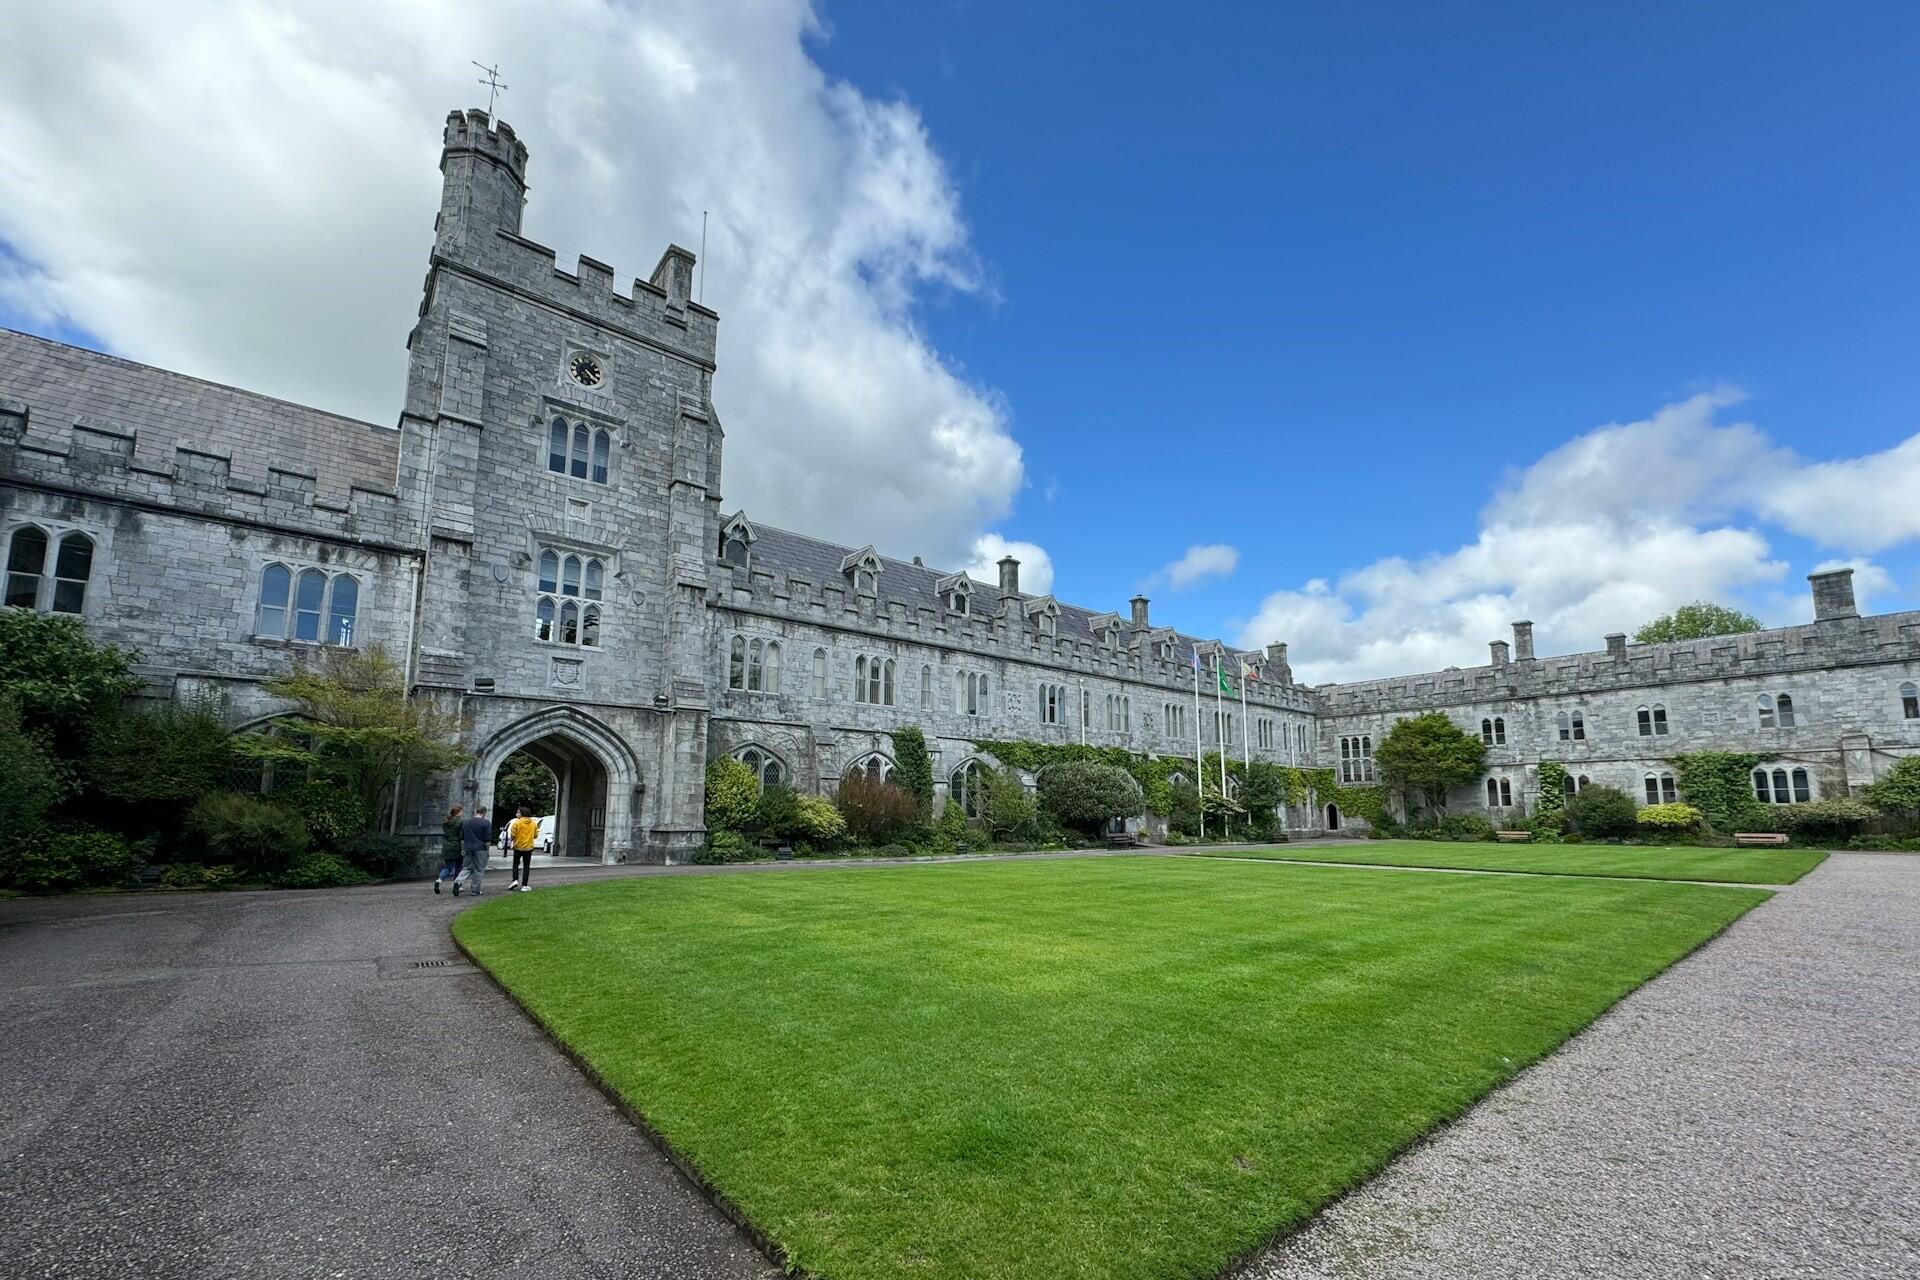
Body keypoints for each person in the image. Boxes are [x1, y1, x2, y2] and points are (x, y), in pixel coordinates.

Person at [452, 805, 491, 896]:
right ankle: (475, 890)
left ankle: (458, 881)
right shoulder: (486, 823)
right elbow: (487, 839)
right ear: (484, 812)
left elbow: (462, 837)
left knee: (466, 867)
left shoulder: (466, 822)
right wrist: (487, 850)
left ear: (476, 811)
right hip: (480, 848)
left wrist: (463, 848)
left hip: (468, 847)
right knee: (479, 869)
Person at [506, 805, 540, 891]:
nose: (516, 814)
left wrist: (513, 840)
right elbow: (535, 835)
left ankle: (515, 879)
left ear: (522, 813)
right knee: (526, 866)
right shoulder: (533, 823)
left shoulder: (517, 823)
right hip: (528, 848)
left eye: (518, 812)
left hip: (518, 847)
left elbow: (512, 835)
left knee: (515, 864)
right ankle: (524, 885)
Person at [433, 805, 464, 893]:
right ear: (459, 812)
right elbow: (461, 835)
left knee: (448, 867)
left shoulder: (446, 822)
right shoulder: (460, 822)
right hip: (456, 846)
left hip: (446, 846)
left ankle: (439, 880)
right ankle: (457, 884)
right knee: (458, 866)